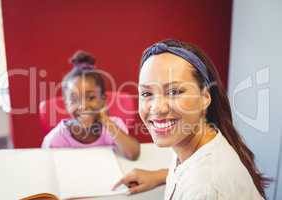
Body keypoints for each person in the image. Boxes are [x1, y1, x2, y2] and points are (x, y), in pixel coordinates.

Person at [113, 39, 271, 199]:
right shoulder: (189, 140)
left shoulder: (204, 189)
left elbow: (204, 186)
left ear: (205, 97)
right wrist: (161, 176)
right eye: (147, 93)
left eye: (174, 91)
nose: (157, 108)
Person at [42, 50, 140, 161]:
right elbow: (47, 162)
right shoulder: (58, 137)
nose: (83, 106)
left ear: (102, 100)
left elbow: (133, 154)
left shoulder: (114, 125)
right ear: (66, 104)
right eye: (74, 99)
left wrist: (105, 120)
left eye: (91, 97)